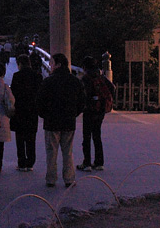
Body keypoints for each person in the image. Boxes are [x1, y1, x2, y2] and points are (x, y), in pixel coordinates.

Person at [37, 53, 85, 188]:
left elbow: (40, 101)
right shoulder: (75, 81)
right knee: (67, 151)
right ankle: (69, 178)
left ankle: (51, 178)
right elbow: (82, 101)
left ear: (58, 65)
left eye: (52, 63)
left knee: (51, 151)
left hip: (51, 122)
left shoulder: (48, 82)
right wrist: (74, 113)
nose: (50, 66)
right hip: (68, 121)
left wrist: (44, 115)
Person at [77, 56, 115, 172]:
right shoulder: (101, 77)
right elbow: (112, 88)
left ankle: (87, 163)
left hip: (89, 109)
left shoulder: (86, 78)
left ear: (85, 66)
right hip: (100, 109)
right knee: (97, 136)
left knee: (87, 137)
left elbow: (82, 94)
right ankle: (99, 162)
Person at [10, 54, 42, 171]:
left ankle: (22, 162)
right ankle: (30, 162)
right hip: (32, 110)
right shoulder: (37, 76)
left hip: (19, 110)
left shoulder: (17, 76)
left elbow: (13, 93)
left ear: (20, 64)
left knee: (20, 137)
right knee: (31, 137)